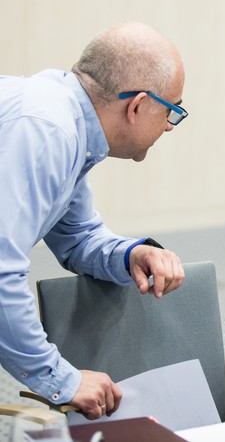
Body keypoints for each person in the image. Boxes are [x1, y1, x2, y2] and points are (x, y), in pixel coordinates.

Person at [0, 22, 188, 419]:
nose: (169, 126)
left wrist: (131, 254)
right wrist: (60, 378)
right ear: (137, 106)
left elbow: (78, 237)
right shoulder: (47, 130)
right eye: (171, 110)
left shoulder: (64, 121)